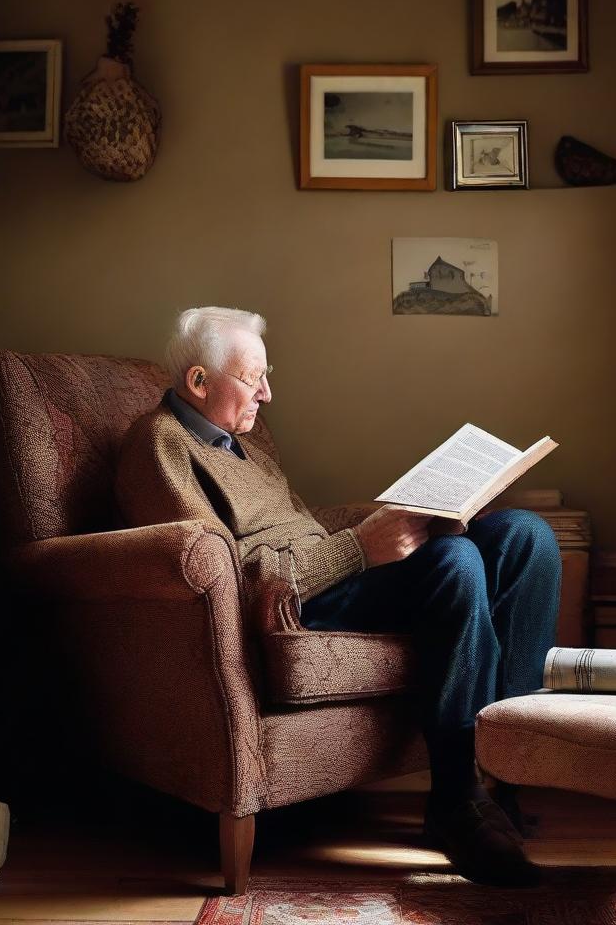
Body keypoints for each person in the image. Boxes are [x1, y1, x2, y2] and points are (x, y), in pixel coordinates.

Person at [116, 306, 561, 886]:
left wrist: (415, 524)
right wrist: (359, 549)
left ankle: (508, 775)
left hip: (328, 573)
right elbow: (221, 573)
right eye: (254, 378)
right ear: (199, 382)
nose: (268, 394)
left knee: (529, 537)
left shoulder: (239, 445)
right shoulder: (159, 447)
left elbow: (303, 529)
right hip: (289, 604)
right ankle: (456, 801)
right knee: (455, 562)